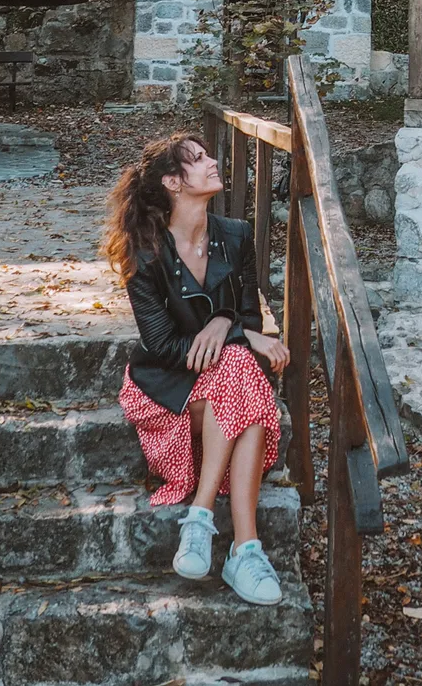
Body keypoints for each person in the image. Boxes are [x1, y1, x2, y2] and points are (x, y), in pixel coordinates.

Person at [102, 132, 291, 604]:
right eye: (198, 159)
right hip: (168, 382)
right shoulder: (144, 252)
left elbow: (248, 318)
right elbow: (162, 345)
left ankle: (202, 519)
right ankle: (244, 551)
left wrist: (227, 323)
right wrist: (234, 334)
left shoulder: (236, 236)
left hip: (224, 382)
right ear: (173, 182)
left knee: (237, 373)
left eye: (208, 155)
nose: (212, 163)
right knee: (244, 385)